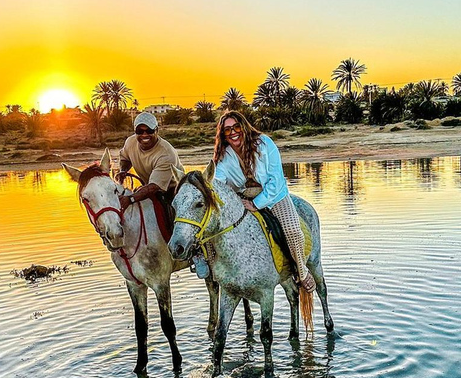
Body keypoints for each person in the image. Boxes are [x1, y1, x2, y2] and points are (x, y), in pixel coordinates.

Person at [212, 110, 316, 293]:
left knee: (292, 230)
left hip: (274, 196)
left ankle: (302, 270)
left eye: (236, 127)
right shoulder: (224, 156)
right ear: (223, 135)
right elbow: (218, 182)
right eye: (227, 130)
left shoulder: (265, 144)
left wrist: (256, 204)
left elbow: (276, 180)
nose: (233, 132)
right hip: (244, 195)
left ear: (243, 127)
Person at [116, 112, 209, 277]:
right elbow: (125, 157)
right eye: (140, 131)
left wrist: (129, 199)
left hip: (172, 190)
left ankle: (198, 254)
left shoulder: (166, 153)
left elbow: (154, 187)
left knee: (180, 220)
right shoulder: (130, 142)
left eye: (149, 131)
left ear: (157, 130)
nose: (144, 135)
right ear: (135, 132)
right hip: (147, 187)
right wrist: (123, 170)